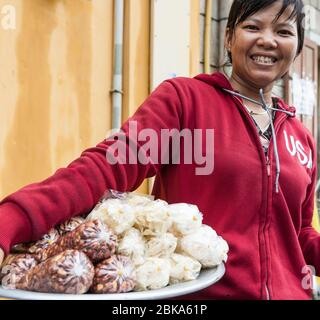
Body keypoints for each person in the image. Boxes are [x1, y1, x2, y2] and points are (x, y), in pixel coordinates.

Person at [0, 0, 318, 300]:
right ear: (228, 37)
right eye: (252, 27)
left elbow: (300, 232)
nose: (268, 40)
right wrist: (9, 221)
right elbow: (107, 166)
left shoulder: (301, 138)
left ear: (297, 46)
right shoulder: (186, 100)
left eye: (283, 31)